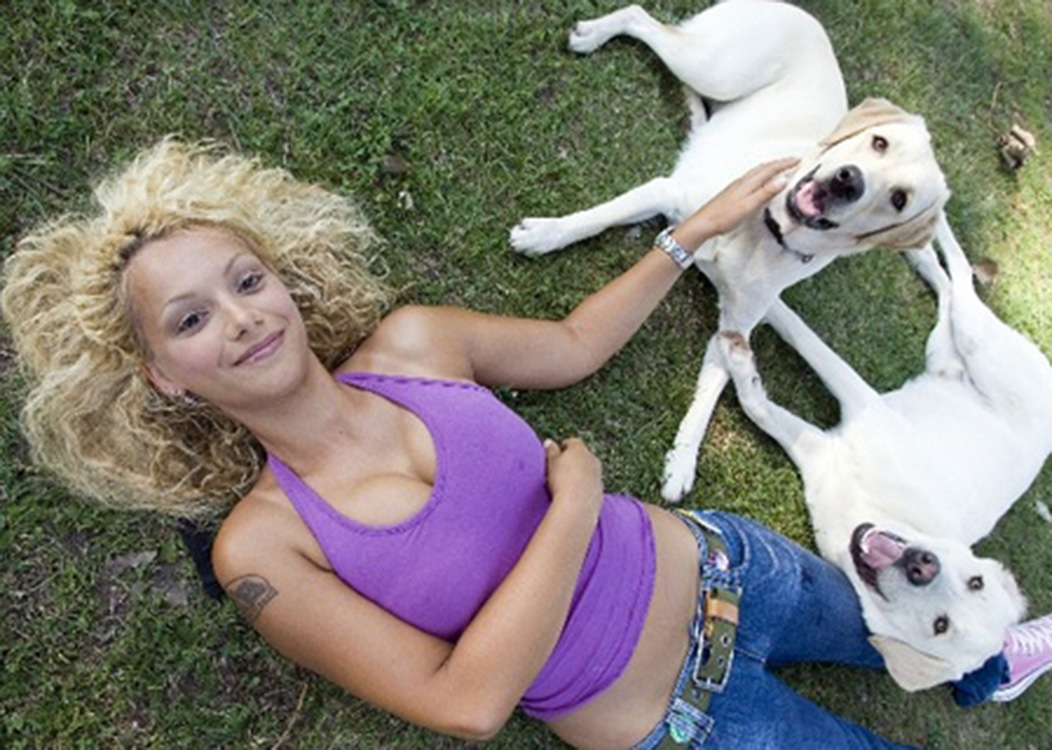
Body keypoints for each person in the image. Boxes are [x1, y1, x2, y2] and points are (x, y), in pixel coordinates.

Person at [3, 139, 1049, 749]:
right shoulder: (263, 549)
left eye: (245, 280)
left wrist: (695, 231)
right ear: (164, 375)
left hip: (738, 566)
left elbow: (574, 344)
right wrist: (572, 510)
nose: (240, 319)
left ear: (282, 278)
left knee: (881, 620)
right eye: (191, 321)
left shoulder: (414, 344)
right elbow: (463, 704)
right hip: (691, 722)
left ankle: (981, 667)